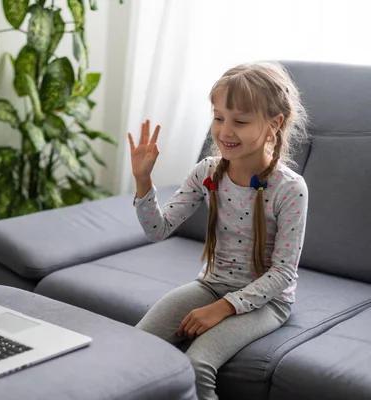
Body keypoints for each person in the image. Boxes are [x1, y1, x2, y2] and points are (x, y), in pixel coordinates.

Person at [128, 62, 309, 400]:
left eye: (240, 121)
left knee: (197, 365)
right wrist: (143, 182)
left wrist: (224, 307)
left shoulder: (289, 188)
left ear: (274, 124)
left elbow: (283, 273)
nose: (225, 131)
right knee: (137, 344)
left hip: (267, 303)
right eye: (219, 117)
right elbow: (158, 229)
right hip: (210, 284)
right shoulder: (208, 172)